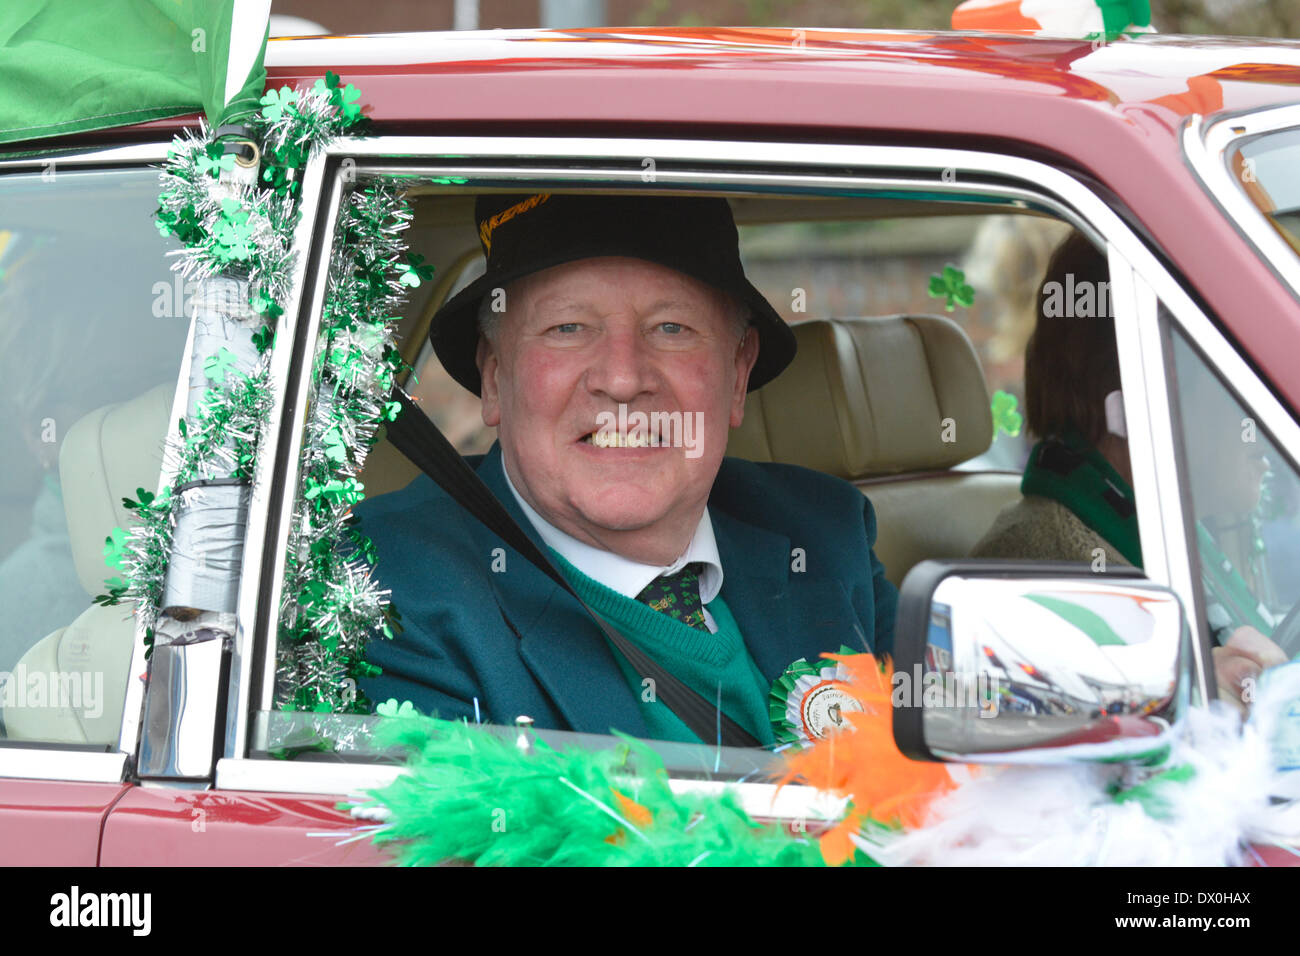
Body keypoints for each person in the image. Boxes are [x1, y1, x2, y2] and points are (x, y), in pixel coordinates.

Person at [355, 193, 898, 746]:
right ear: (494, 378)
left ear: (737, 374)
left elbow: (952, 768)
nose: (621, 378)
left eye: (671, 328)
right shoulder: (384, 586)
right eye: (567, 327)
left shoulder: (825, 530)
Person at [970, 232, 1287, 712]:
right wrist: (1192, 699)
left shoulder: (1162, 532)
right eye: (1234, 383)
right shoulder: (1039, 568)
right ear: (1141, 402)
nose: (1260, 426)